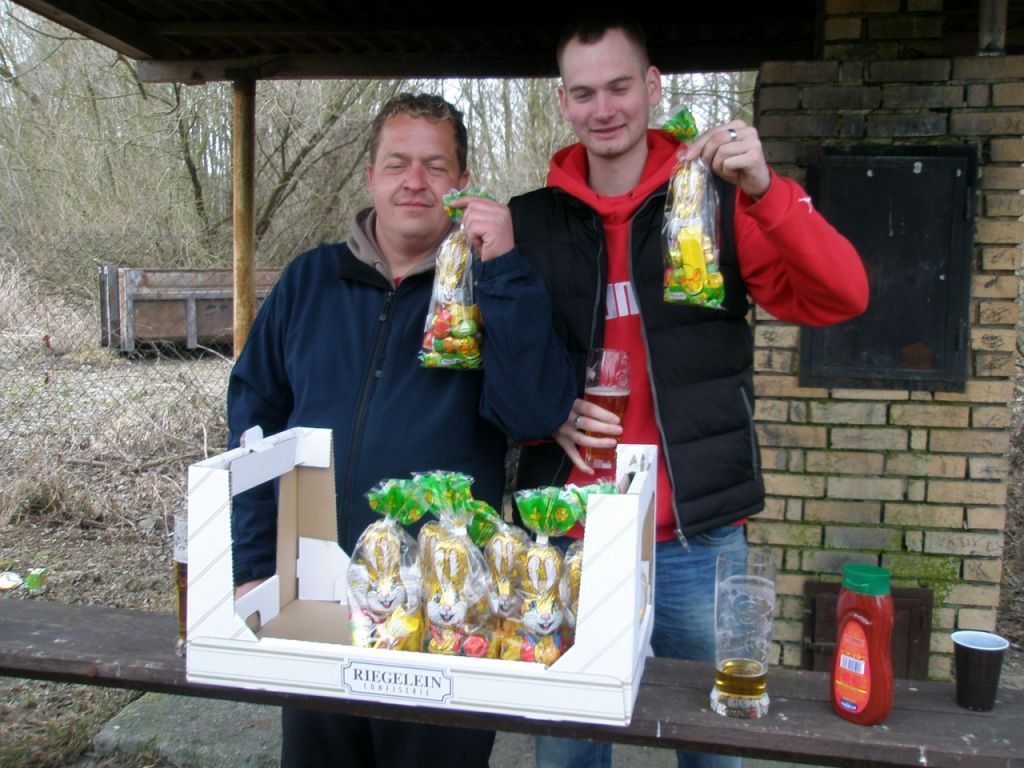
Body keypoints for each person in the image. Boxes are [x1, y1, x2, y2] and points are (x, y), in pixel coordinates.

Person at [508, 17, 869, 768]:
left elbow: (843, 295)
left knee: (713, 748)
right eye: (584, 93)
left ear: (652, 86)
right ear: (563, 101)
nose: (603, 109)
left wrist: (766, 189)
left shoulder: (720, 202)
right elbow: (498, 369)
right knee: (568, 753)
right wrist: (545, 417)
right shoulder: (529, 223)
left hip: (696, 540)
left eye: (619, 87)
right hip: (571, 538)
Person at [226, 92, 576, 768]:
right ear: (370, 177)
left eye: (435, 166)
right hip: (318, 598)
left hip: (447, 611)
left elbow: (534, 414)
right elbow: (253, 425)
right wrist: (253, 567)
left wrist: (503, 270)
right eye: (397, 163)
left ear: (461, 183)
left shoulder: (490, 283)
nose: (414, 181)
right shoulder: (310, 281)